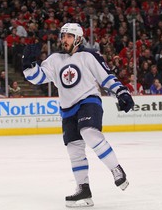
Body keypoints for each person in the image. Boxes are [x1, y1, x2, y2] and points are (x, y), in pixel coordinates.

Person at [22, 23, 134, 207]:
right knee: (74, 148)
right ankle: (83, 189)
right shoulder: (54, 59)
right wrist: (28, 65)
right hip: (67, 110)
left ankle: (116, 169)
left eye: (68, 36)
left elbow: (106, 77)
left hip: (89, 101)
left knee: (89, 132)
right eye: (62, 36)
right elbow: (38, 78)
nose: (64, 39)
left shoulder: (89, 56)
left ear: (78, 38)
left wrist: (121, 92)